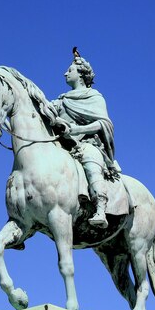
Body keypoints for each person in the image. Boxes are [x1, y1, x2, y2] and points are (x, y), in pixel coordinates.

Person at [52, 48, 121, 229]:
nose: (65, 73)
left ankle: (100, 208)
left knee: (90, 161)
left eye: (70, 70)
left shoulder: (94, 97)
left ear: (81, 74)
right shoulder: (61, 100)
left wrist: (78, 129)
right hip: (63, 145)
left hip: (88, 144)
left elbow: (103, 124)